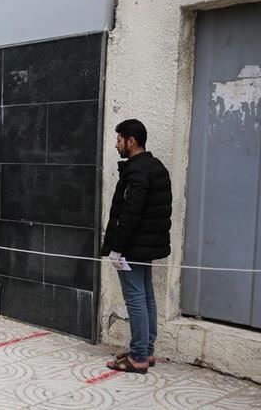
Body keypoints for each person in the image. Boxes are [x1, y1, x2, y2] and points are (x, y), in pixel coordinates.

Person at [102, 119, 172, 375]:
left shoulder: (136, 171)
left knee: (135, 299)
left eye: (119, 140)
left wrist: (116, 248)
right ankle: (146, 350)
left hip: (132, 247)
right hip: (147, 246)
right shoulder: (156, 166)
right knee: (146, 296)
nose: (116, 145)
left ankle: (139, 356)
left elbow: (130, 213)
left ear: (131, 141)